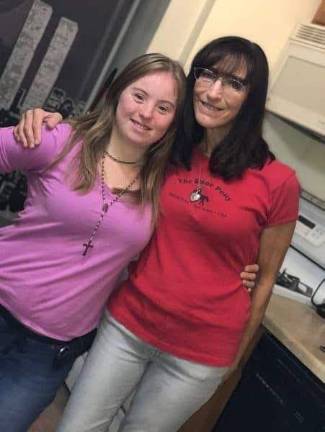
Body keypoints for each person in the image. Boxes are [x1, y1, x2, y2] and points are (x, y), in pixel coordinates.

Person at [14, 37, 281, 432]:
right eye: (206, 75)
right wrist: (54, 121)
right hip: (128, 323)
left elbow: (266, 277)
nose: (214, 91)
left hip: (202, 349)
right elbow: (106, 147)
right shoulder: (167, 150)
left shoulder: (277, 181)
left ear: (252, 98)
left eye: (234, 83)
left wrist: (235, 359)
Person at [0, 53, 187, 432]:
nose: (147, 113)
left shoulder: (162, 187)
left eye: (163, 107)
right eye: (139, 96)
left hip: (48, 351)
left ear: (173, 122)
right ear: (117, 94)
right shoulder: (60, 140)